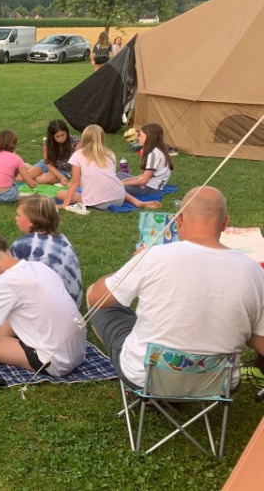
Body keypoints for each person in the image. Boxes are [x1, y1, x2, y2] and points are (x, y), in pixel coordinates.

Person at [87, 186, 264, 391]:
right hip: (219, 384)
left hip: (146, 377)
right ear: (225, 223)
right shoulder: (254, 271)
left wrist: (133, 264)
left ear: (178, 220)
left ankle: (155, 390)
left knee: (98, 297)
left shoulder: (154, 256)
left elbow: (96, 298)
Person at [0, 230, 86, 376]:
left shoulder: (5, 281)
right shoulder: (38, 267)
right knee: (14, 311)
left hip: (54, 360)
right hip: (78, 351)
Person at [0, 196, 84, 309]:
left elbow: (8, 282)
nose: (15, 218)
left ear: (32, 221)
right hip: (72, 305)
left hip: (43, 307)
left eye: (19, 215)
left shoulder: (23, 245)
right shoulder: (62, 238)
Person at [57, 125, 161, 211]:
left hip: (100, 202)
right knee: (113, 184)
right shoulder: (110, 153)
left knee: (60, 193)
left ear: (84, 138)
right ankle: (138, 202)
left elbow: (75, 182)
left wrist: (65, 204)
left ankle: (137, 203)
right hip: (119, 198)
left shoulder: (78, 155)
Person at [118, 123, 173, 193]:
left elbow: (144, 180)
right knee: (120, 175)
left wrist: (122, 183)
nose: (138, 138)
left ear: (149, 137)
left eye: (140, 135)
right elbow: (146, 176)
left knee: (116, 187)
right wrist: (127, 180)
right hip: (148, 183)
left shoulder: (154, 154)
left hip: (151, 187)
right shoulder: (157, 150)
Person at [25, 120, 79, 185]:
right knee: (23, 178)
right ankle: (32, 169)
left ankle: (31, 168)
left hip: (63, 170)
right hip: (47, 165)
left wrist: (61, 176)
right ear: (52, 136)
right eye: (57, 136)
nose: (61, 138)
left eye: (63, 135)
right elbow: (49, 164)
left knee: (40, 180)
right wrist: (60, 177)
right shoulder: (47, 144)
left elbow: (80, 160)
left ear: (67, 132)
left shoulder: (76, 141)